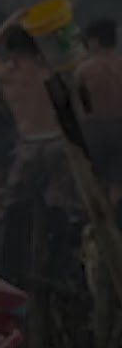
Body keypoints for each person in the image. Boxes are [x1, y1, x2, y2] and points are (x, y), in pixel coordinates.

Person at [0, 8, 82, 285]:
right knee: (61, 206)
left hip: (30, 148)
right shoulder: (50, 71)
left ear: (12, 51)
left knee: (15, 205)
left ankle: (10, 270)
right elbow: (73, 54)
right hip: (59, 146)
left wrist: (10, 20)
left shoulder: (9, 75)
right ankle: (62, 265)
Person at [74, 19, 122, 216]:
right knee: (118, 182)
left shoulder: (85, 70)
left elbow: (81, 109)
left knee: (95, 182)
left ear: (95, 42)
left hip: (96, 130)